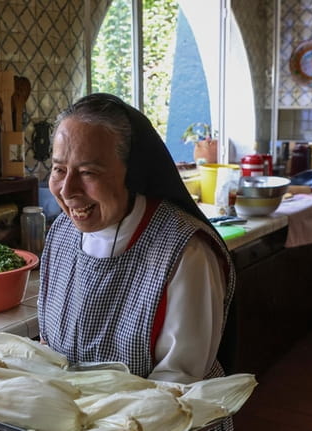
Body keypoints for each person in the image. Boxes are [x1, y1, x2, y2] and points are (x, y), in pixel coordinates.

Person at [37, 93, 236, 391]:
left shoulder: (185, 251)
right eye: (59, 169)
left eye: (88, 172)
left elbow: (178, 386)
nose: (67, 190)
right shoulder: (62, 233)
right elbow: (49, 347)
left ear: (133, 172)